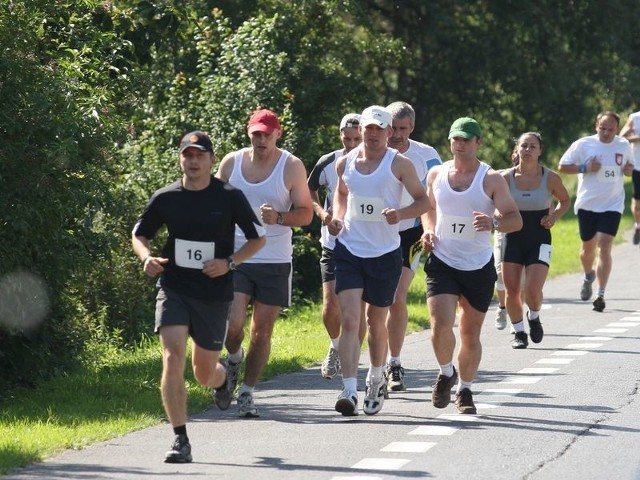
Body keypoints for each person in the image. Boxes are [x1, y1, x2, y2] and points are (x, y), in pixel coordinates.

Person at [131, 131, 265, 462]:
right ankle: (180, 440)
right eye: (187, 155)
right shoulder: (166, 198)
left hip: (213, 294)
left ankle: (221, 382)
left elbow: (257, 239)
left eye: (199, 155)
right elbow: (140, 234)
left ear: (211, 159)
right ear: (180, 159)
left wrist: (230, 263)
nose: (193, 161)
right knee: (172, 356)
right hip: (174, 287)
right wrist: (146, 257)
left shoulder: (228, 196)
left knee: (203, 371)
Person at [328, 105, 428, 416]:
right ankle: (348, 389)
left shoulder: (400, 164)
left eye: (379, 129)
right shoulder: (345, 163)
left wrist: (401, 214)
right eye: (368, 128)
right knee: (349, 320)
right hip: (349, 249)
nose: (372, 134)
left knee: (375, 320)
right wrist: (337, 217)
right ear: (361, 131)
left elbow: (424, 200)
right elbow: (342, 195)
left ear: (388, 132)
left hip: (385, 253)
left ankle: (375, 376)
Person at [216, 108, 313, 417]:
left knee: (262, 332)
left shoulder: (291, 167)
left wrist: (280, 217)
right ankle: (233, 359)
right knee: (233, 326)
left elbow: (307, 214)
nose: (261, 139)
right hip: (238, 256)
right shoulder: (231, 163)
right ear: (249, 134)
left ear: (278, 134)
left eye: (266, 134)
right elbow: (212, 203)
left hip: (274, 259)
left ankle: (247, 392)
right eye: (256, 134)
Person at [421, 117, 522, 414]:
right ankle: (445, 372)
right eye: (456, 138)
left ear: (478, 142)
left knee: (469, 333)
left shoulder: (491, 179)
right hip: (442, 260)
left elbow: (514, 219)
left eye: (466, 139)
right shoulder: (436, 174)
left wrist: (493, 222)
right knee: (439, 324)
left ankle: (465, 389)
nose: (460, 143)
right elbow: (428, 208)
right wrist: (427, 230)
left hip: (478, 266)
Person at [384, 101, 442, 392]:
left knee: (396, 296)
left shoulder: (426, 155)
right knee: (372, 303)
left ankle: (394, 364)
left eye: (402, 129)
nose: (395, 134)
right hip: (375, 235)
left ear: (412, 128)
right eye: (391, 128)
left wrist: (434, 229)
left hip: (411, 233)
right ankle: (373, 364)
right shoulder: (371, 151)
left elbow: (439, 193)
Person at [307, 113, 366, 380]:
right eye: (347, 138)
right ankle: (335, 345)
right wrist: (322, 214)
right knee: (331, 306)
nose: (352, 144)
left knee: (358, 310)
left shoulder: (378, 161)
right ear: (340, 135)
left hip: (365, 246)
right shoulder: (328, 162)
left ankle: (352, 355)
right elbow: (309, 191)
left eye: (357, 138)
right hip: (332, 242)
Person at [558, 111, 634, 312]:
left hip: (612, 204)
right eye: (603, 128)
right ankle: (588, 275)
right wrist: (585, 167)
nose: (607, 132)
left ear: (617, 129)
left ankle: (600, 294)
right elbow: (562, 166)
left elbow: (629, 167)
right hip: (587, 204)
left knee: (605, 245)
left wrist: (628, 170)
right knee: (587, 250)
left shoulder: (624, 145)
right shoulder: (583, 144)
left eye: (611, 129)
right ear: (596, 126)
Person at [502, 132, 570, 348]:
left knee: (532, 289)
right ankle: (519, 333)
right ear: (517, 150)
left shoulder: (550, 178)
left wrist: (554, 217)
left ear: (540, 151)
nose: (528, 150)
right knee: (512, 290)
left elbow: (565, 201)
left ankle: (534, 316)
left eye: (533, 146)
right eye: (524, 146)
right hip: (512, 237)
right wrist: (497, 216)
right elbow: (491, 202)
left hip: (539, 237)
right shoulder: (505, 178)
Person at [619, 111, 640, 245]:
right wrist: (637, 138)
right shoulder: (635, 117)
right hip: (638, 166)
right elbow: (622, 137)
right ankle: (638, 225)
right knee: (637, 201)